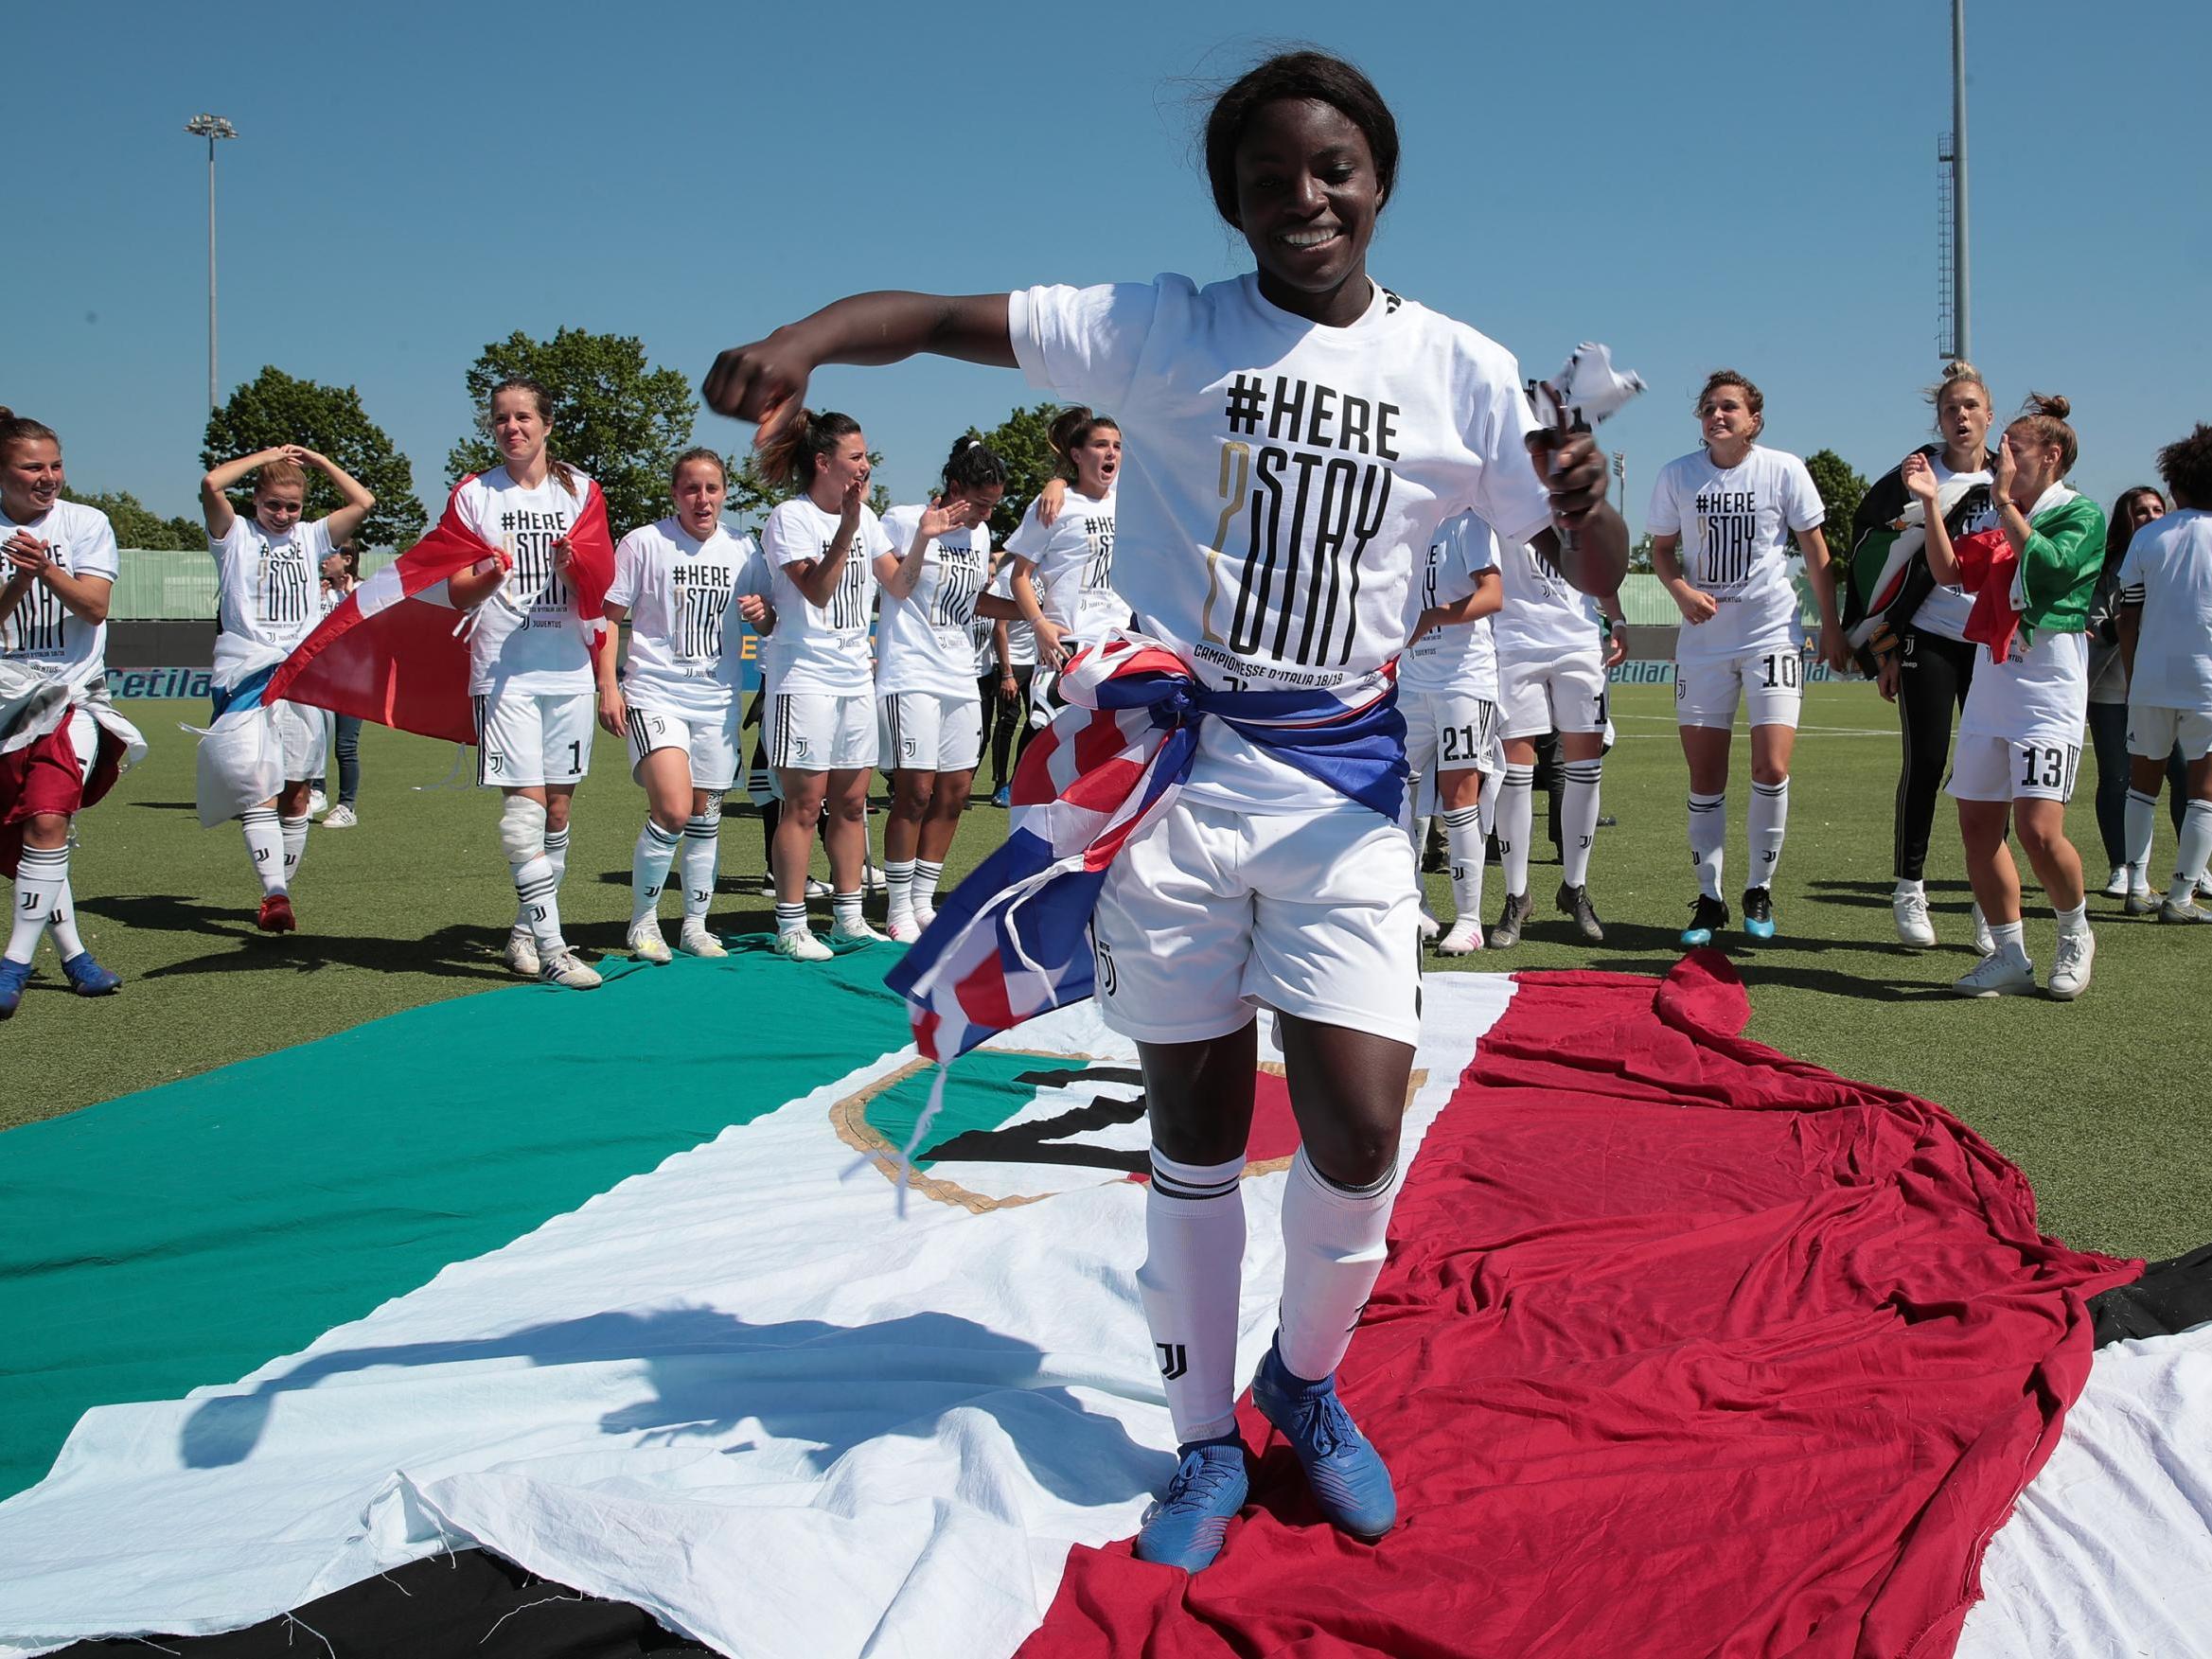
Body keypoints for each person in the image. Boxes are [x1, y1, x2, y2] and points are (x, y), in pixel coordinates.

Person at [704, 48, 1626, 1572]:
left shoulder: (1461, 366)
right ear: (1231, 202)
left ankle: (1304, 1386)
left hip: (1341, 793)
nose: (1304, 198)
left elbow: (1591, 570)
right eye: (1268, 178)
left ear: (1380, 180)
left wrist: (1584, 500)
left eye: (1332, 169)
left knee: (1357, 1129)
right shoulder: (1164, 328)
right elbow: (937, 320)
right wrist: (805, 342)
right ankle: (1202, 1443)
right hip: (1179, 790)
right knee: (1192, 1130)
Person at [1905, 394, 2105, 998]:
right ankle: (2009, 953)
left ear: (2052, 455)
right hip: (1994, 685)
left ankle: (2075, 934)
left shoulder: (2080, 514)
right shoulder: (2000, 515)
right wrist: (1931, 506)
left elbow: (2044, 566)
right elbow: (1947, 573)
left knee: (2040, 830)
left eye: (2013, 450)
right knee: (1976, 825)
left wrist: (2002, 505)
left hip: (2048, 691)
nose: (2002, 461)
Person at [1649, 370, 1842, 945]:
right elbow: (1661, 551)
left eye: (1730, 407)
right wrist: (1681, 591)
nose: (1717, 415)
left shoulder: (1784, 470)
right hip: (1704, 646)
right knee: (1706, 777)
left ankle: (1759, 887)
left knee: (1771, 767)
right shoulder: (1676, 475)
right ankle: (1709, 900)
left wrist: (1829, 625)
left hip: (1772, 636)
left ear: (1753, 419)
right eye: (1708, 407)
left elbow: (1816, 552)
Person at [444, 379, 604, 990]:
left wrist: (577, 566)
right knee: (522, 814)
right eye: (501, 419)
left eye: (522, 417)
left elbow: (602, 584)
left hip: (567, 670)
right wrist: (489, 575)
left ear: (546, 424)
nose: (512, 427)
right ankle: (555, 949)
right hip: (502, 672)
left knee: (557, 810)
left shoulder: (582, 491)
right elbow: (455, 587)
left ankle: (522, 933)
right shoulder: (472, 495)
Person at [1846, 363, 2001, 948]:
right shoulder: (1913, 473)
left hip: (1992, 644)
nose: (1960, 417)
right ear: (1938, 420)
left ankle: (1990, 899)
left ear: (1989, 415)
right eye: (1949, 409)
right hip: (1927, 638)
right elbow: (1873, 554)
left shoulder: (2011, 476)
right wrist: (1883, 646)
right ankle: (1909, 888)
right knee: (1927, 762)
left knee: (1989, 773)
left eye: (1970, 407)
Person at [598, 449, 773, 962]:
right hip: (655, 692)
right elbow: (610, 616)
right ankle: (643, 922)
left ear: (724, 494)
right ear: (675, 494)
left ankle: (695, 926)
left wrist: (762, 615)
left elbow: (769, 622)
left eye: (712, 488)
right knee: (672, 809)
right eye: (691, 489)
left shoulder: (745, 549)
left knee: (706, 817)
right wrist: (609, 685)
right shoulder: (644, 543)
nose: (703, 499)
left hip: (717, 700)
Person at [0, 409, 144, 1015]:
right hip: (6, 708)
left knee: (49, 821)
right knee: (28, 839)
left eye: (56, 464)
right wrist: (17, 579)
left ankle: (10, 966)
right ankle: (76, 956)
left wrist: (46, 568)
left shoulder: (86, 522)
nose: (49, 477)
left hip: (73, 701)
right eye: (32, 467)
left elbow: (93, 608)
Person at [196, 445, 376, 930]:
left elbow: (363, 502)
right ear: (255, 500)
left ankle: (278, 893)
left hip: (301, 675)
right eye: (272, 503)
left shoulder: (312, 535)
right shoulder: (234, 534)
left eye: (291, 505)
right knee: (257, 787)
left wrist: (319, 463)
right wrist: (264, 457)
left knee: (297, 791)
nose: (282, 514)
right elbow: (212, 484)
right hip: (248, 673)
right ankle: (275, 894)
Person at [756, 410, 894, 960]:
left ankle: (848, 917)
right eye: (856, 456)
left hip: (855, 676)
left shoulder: (869, 516)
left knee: (853, 802)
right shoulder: (790, 517)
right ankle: (791, 925)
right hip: (803, 676)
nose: (866, 465)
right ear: (824, 462)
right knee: (804, 804)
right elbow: (816, 591)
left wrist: (932, 536)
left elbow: (899, 582)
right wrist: (846, 528)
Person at [876, 437, 1005, 939]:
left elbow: (970, 602)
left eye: (993, 505)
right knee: (915, 791)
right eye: (981, 502)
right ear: (955, 487)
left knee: (954, 793)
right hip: (910, 672)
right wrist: (926, 538)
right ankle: (897, 908)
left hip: (961, 674)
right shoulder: (902, 519)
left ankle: (924, 902)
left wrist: (1033, 616)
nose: (985, 514)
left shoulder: (981, 534)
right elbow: (897, 587)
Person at [1486, 523, 1625, 945]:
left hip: (1579, 642)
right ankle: (1516, 896)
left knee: (1585, 769)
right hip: (1515, 641)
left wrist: (1616, 617)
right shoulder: (1497, 481)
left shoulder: (1575, 489)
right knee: (1515, 777)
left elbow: (1597, 562)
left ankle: (1574, 889)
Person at [2117, 426, 2212, 922]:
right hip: (2208, 684)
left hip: (2151, 678)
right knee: (2204, 791)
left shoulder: (2149, 536)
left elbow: (2126, 614)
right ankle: (2180, 897)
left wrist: (2134, 673)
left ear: (2176, 483)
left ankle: (2135, 885)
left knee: (2142, 784)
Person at [1402, 510, 1503, 953]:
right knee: (1392, 789)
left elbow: (1493, 595)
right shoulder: (1405, 515)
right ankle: (1413, 904)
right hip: (1408, 678)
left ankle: (1469, 919)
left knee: (1459, 794)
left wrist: (1435, 616)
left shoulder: (1469, 523)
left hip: (1463, 679)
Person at [993, 408, 1124, 733]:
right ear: (1077, 454)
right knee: (1057, 756)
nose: (1111, 453)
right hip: (1069, 647)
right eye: (1101, 445)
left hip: (1119, 645)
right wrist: (1039, 624)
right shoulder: (1054, 503)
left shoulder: (1127, 500)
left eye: (1117, 446)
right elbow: (1019, 574)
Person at [2086, 487, 2166, 900]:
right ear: (2125, 520)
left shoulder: (2178, 562)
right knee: (2116, 779)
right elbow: (2096, 625)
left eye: (2157, 509)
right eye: (2140, 511)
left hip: (2166, 690)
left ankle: (2194, 867)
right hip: (2110, 692)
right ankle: (2122, 866)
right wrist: (2124, 622)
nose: (2150, 517)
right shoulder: (2106, 568)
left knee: (2187, 777)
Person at [314, 544, 364, 828]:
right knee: (312, 740)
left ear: (346, 560)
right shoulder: (316, 590)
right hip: (318, 678)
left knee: (345, 746)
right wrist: (316, 598)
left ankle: (346, 806)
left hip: (351, 679)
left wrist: (347, 597)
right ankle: (315, 791)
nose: (323, 562)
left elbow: (370, 631)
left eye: (328, 557)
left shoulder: (362, 590)